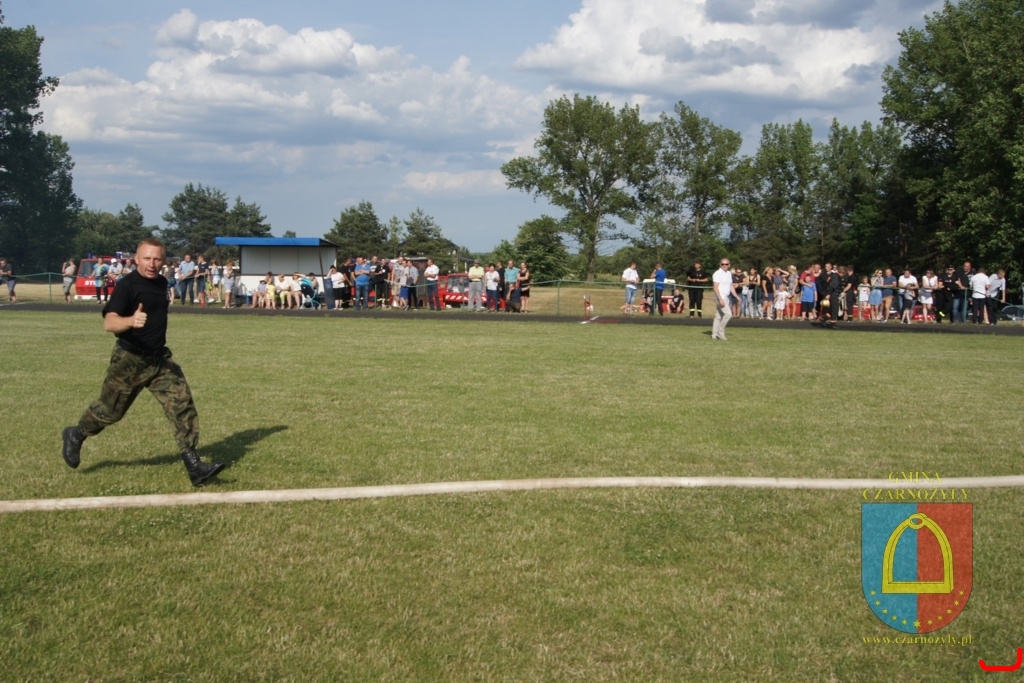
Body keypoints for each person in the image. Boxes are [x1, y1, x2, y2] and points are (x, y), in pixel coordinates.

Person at [60, 237, 224, 486]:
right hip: (129, 360)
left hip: (158, 359)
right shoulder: (127, 286)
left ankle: (195, 466)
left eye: (157, 259)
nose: (152, 264)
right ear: (136, 259)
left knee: (181, 404)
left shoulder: (161, 282)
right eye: (147, 258)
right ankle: (76, 433)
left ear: (164, 261)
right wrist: (130, 321)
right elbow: (109, 323)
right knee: (110, 411)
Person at [712, 258, 735, 340]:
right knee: (728, 314)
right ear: (720, 264)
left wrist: (736, 296)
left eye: (726, 264)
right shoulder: (717, 273)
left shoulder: (729, 273)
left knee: (718, 316)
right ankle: (720, 332)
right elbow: (715, 288)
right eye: (722, 264)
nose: (724, 265)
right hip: (720, 296)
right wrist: (720, 299)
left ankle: (714, 334)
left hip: (726, 296)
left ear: (729, 265)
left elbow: (731, 285)